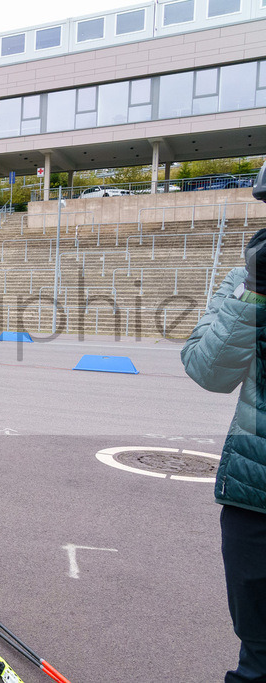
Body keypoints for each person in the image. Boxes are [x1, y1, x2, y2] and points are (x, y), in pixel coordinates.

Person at [181, 162, 266, 683]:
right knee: (255, 655)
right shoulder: (247, 278)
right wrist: (255, 291)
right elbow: (207, 369)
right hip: (254, 496)